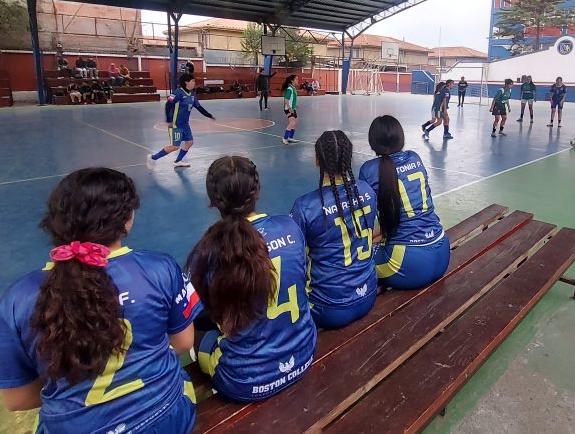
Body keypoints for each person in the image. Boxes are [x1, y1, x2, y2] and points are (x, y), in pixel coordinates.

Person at [0, 168, 201, 433]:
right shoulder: (159, 268)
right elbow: (184, 343)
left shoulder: (20, 297)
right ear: (127, 219)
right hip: (166, 419)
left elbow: (17, 399)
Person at [188, 156, 317, 402]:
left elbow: (201, 314)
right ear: (257, 191)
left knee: (197, 332)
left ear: (213, 200)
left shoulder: (208, 251)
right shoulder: (289, 227)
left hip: (245, 381)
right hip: (303, 355)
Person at [290, 131, 378, 329]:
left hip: (328, 308)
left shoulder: (306, 207)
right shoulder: (366, 191)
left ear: (317, 161)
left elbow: (296, 263)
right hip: (368, 294)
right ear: (349, 160)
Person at [359, 115, 449, 290]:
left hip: (406, 264)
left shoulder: (369, 170)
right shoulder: (414, 157)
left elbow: (362, 225)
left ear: (373, 142)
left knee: (352, 261)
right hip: (442, 250)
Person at [147, 74, 215, 169]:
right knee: (175, 146)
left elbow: (199, 107)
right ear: (186, 82)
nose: (194, 83)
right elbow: (168, 104)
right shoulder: (178, 93)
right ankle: (153, 158)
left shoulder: (192, 95)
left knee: (189, 142)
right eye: (193, 81)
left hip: (185, 124)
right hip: (176, 124)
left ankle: (178, 161)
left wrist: (209, 115)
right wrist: (169, 120)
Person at [281, 74, 299, 145]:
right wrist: (289, 108)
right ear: (292, 81)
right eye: (296, 79)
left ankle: (290, 137)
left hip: (292, 108)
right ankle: (285, 138)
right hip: (288, 109)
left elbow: (292, 99)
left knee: (294, 124)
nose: (298, 80)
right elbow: (286, 99)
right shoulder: (289, 89)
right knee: (292, 123)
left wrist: (295, 105)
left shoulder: (293, 88)